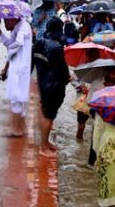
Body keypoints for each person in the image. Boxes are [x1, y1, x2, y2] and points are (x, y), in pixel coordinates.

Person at [33, 17, 69, 157]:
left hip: (42, 83)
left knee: (46, 113)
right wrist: (67, 79)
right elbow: (63, 69)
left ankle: (45, 142)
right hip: (54, 86)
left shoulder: (39, 42)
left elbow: (35, 63)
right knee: (49, 116)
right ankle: (43, 147)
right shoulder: (57, 47)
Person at [0, 17, 32, 137]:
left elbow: (17, 43)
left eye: (7, 21)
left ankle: (16, 129)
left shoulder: (23, 27)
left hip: (20, 68)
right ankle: (21, 127)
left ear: (14, 19)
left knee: (16, 97)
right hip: (18, 67)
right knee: (18, 97)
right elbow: (10, 43)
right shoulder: (17, 27)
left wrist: (8, 56)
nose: (5, 24)